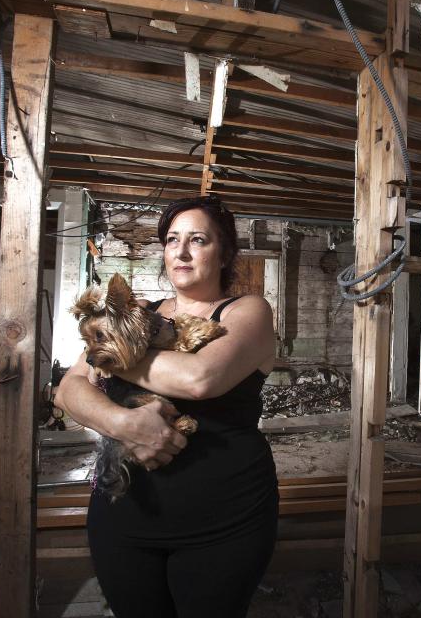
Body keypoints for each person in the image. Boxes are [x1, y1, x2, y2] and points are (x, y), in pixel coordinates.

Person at [55, 196, 278, 618]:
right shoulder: (140, 314)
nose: (182, 250)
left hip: (225, 520)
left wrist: (112, 355)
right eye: (172, 239)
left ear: (225, 251)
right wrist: (122, 422)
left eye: (198, 239)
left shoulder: (247, 311)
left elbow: (201, 378)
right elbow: (68, 391)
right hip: (125, 517)